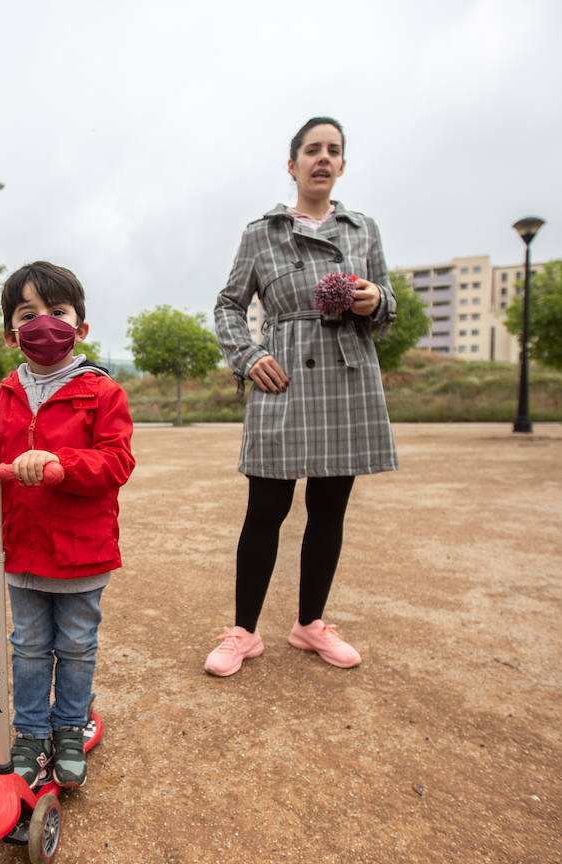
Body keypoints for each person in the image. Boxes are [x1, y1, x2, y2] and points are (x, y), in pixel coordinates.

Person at [206, 116, 398, 677]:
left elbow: (389, 302)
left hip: (347, 372)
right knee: (266, 508)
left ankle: (309, 625)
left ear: (341, 165)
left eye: (333, 151)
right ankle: (243, 633)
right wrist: (248, 356)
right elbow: (227, 305)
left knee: (329, 509)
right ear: (292, 165)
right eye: (312, 150)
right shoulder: (261, 233)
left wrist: (373, 300)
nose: (323, 159)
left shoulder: (364, 229)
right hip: (284, 375)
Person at [0, 261, 135, 787]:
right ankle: (29, 732)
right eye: (28, 314)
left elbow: (116, 463)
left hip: (80, 550)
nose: (44, 323)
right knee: (27, 645)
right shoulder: (4, 394)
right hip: (23, 550)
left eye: (57, 312)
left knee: (75, 644)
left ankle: (70, 724)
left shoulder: (101, 392)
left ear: (81, 327)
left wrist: (59, 464)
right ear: (11, 334)